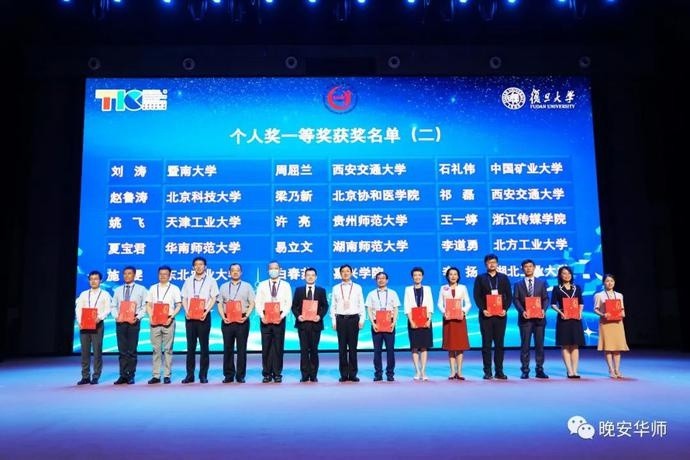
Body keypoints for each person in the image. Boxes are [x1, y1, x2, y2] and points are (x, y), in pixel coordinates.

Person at [180, 256, 219, 384]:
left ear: (205, 267)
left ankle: (203, 375)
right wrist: (186, 311)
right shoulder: (188, 281)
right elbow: (184, 298)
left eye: (201, 264)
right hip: (190, 317)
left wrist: (206, 311)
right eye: (196, 264)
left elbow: (213, 298)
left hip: (204, 316)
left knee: (204, 347)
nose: (198, 266)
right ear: (193, 267)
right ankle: (190, 375)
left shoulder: (211, 281)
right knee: (190, 347)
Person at [473, 253, 512, 380]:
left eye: (494, 262)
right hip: (486, 315)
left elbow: (509, 296)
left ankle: (499, 371)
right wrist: (483, 309)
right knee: (486, 344)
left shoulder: (503, 278)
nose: (492, 264)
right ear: (486, 264)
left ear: (497, 264)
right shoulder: (480, 278)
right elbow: (477, 296)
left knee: (500, 344)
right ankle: (488, 371)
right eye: (489, 262)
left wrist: (505, 309)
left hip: (500, 315)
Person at [255, 261, 292, 383]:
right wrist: (262, 316)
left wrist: (281, 316)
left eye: (276, 268)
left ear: (279, 270)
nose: (273, 270)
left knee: (278, 347)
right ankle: (266, 373)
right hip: (265, 318)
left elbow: (288, 303)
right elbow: (258, 302)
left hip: (279, 318)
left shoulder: (286, 285)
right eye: (271, 268)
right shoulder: (262, 285)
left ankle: (277, 373)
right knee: (266, 347)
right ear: (268, 271)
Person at [512, 259, 550, 379]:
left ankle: (540, 369)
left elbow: (546, 298)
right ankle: (525, 369)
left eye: (530, 266)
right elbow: (515, 299)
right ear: (522, 269)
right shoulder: (518, 284)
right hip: (525, 319)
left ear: (534, 268)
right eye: (526, 267)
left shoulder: (541, 283)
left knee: (540, 345)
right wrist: (522, 311)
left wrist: (543, 310)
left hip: (539, 319)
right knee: (525, 345)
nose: (528, 268)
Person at [218, 263, 255, 383]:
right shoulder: (223, 286)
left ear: (241, 272)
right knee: (227, 348)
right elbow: (219, 303)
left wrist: (246, 316)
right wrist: (223, 317)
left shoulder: (247, 286)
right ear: (229, 273)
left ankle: (240, 375)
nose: (235, 272)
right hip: (227, 320)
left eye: (237, 270)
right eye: (233, 270)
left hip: (242, 320)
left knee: (241, 349)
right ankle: (228, 375)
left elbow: (252, 303)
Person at [291, 267, 329, 382]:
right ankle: (304, 374)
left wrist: (320, 316)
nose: (310, 277)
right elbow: (294, 306)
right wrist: (298, 316)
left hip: (315, 324)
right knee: (303, 350)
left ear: (316, 277)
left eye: (313, 275)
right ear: (304, 277)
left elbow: (325, 306)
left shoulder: (321, 290)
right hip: (302, 324)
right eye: (308, 275)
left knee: (314, 349)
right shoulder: (299, 290)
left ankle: (313, 374)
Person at [145, 265, 182, 384]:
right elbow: (148, 304)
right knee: (156, 349)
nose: (162, 276)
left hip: (168, 320)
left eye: (165, 274)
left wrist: (171, 317)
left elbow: (179, 305)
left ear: (170, 275)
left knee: (168, 349)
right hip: (154, 321)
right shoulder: (152, 288)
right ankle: (156, 375)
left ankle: (167, 375)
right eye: (160, 274)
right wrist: (151, 317)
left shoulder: (174, 288)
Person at [111, 265, 148, 384]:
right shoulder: (118, 290)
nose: (127, 276)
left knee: (131, 350)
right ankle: (122, 375)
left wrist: (137, 317)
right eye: (125, 273)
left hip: (134, 322)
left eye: (129, 273)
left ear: (134, 275)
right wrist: (116, 317)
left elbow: (145, 306)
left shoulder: (141, 289)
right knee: (122, 351)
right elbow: (113, 306)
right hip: (120, 322)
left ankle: (131, 375)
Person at [75, 270, 112, 385]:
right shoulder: (84, 294)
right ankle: (85, 376)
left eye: (96, 279)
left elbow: (108, 309)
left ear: (100, 280)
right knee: (85, 352)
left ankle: (96, 375)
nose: (93, 281)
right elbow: (78, 308)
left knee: (97, 351)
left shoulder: (105, 294)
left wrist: (99, 318)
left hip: (97, 324)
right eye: (91, 279)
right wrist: (79, 321)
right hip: (84, 325)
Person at [330, 264, 366, 382]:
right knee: (342, 348)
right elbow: (333, 305)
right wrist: (333, 320)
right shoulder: (336, 288)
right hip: (340, 319)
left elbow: (361, 304)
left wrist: (362, 319)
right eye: (343, 271)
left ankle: (353, 373)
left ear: (351, 273)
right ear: (340, 274)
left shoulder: (357, 287)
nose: (345, 273)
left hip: (353, 319)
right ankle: (344, 374)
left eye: (347, 271)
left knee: (353, 348)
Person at [550, 265, 585, 378]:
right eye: (564, 273)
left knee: (575, 345)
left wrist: (579, 313)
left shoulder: (577, 288)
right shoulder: (556, 288)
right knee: (565, 345)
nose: (567, 275)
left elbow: (581, 303)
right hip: (563, 319)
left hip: (575, 319)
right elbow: (553, 304)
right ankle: (569, 371)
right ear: (560, 275)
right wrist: (561, 313)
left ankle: (575, 371)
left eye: (569, 273)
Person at [438, 267, 472, 380]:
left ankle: (460, 371)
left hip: (459, 319)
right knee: (451, 346)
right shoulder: (443, 288)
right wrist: (444, 312)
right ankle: (452, 371)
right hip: (448, 320)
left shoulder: (463, 288)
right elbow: (440, 304)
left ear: (458, 276)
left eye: (455, 274)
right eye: (451, 274)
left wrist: (463, 311)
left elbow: (468, 303)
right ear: (447, 276)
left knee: (460, 346)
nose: (453, 276)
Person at [366, 271, 400, 382]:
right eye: (379, 278)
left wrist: (394, 322)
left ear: (387, 280)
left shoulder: (393, 293)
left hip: (389, 323)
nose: (381, 280)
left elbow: (396, 308)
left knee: (390, 350)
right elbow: (369, 309)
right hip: (377, 323)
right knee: (377, 350)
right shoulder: (371, 294)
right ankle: (378, 374)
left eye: (383, 278)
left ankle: (390, 374)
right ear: (376, 280)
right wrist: (373, 323)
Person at [593, 274, 629, 379]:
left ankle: (617, 369)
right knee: (608, 347)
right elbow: (595, 309)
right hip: (606, 323)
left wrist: (622, 314)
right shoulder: (599, 295)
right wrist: (603, 314)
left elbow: (622, 309)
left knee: (617, 347)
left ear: (614, 282)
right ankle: (611, 369)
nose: (610, 283)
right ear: (603, 282)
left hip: (617, 323)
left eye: (612, 281)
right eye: (607, 281)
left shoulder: (619, 295)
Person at [403, 267, 434, 381]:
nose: (417, 277)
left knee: (424, 346)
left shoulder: (427, 289)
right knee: (415, 346)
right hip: (413, 320)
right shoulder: (408, 289)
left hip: (426, 320)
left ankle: (423, 371)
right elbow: (407, 306)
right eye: (415, 275)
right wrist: (411, 321)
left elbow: (430, 305)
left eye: (419, 275)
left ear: (422, 277)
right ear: (412, 277)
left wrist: (429, 320)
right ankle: (417, 371)